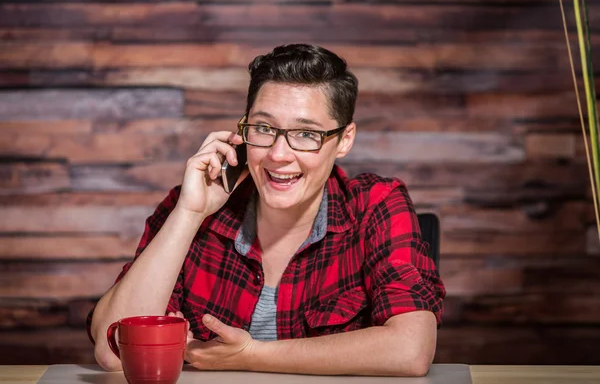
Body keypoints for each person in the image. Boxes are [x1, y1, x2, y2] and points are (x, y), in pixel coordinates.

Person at [87, 43, 445, 377]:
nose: (277, 154)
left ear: (344, 140)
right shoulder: (194, 205)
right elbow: (113, 352)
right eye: (263, 128)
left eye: (306, 134)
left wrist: (250, 355)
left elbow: (410, 349)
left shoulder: (377, 204)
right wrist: (190, 213)